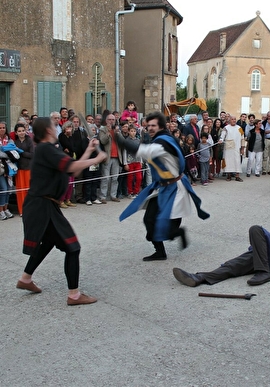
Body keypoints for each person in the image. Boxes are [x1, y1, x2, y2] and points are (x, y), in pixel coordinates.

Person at [16, 117, 107, 305]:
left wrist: (89, 151)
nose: (56, 128)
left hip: (45, 205)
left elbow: (70, 171)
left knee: (48, 241)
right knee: (73, 247)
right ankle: (74, 295)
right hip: (42, 206)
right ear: (49, 131)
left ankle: (25, 279)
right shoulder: (45, 149)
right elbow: (72, 167)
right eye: (53, 126)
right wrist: (97, 158)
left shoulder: (48, 150)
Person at [115, 111, 210, 261]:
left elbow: (142, 151)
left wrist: (118, 139)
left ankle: (178, 233)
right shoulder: (160, 139)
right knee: (150, 220)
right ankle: (160, 251)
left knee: (169, 227)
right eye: (149, 125)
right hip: (162, 187)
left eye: (153, 125)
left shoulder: (162, 142)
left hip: (176, 189)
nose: (150, 128)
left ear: (160, 126)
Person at [173, 225, 270, 287]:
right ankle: (199, 278)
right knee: (232, 266)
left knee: (255, 229)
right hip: (259, 256)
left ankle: (264, 273)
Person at [14, 123, 34, 216]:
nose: (21, 133)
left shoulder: (29, 141)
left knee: (29, 190)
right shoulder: (15, 142)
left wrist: (21, 153)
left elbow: (32, 155)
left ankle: (30, 209)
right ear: (16, 132)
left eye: (23, 131)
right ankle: (22, 210)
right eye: (19, 131)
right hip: (19, 169)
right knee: (20, 190)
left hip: (28, 168)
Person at [219, 115, 245, 182]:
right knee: (228, 161)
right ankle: (229, 175)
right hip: (228, 148)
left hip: (237, 148)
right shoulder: (226, 128)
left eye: (235, 119)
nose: (234, 120)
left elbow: (242, 139)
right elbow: (222, 136)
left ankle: (237, 176)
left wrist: (242, 148)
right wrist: (221, 140)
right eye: (232, 119)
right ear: (229, 120)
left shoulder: (239, 128)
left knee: (237, 161)